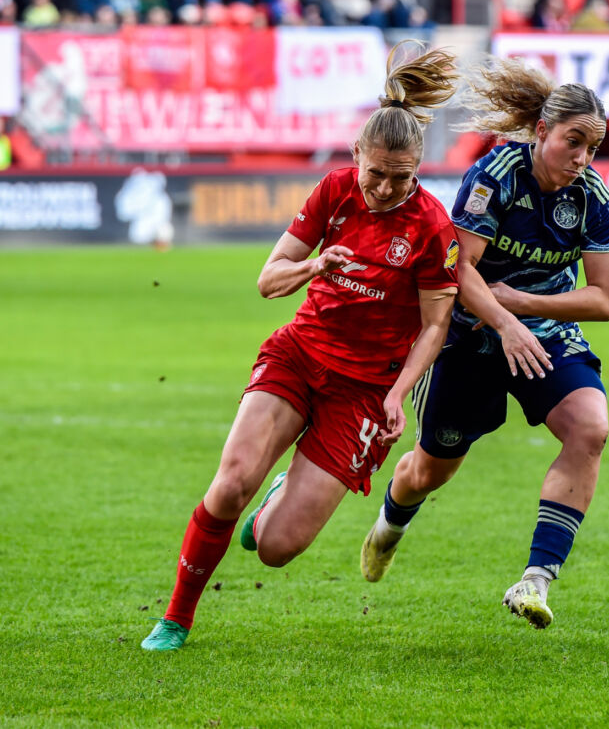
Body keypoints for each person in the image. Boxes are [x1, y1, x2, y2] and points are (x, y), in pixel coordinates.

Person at [141, 42, 461, 652]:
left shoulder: (431, 227)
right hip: (301, 354)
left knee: (276, 549)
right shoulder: (333, 192)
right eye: (377, 172)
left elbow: (434, 327)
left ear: (417, 168)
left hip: (367, 389)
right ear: (356, 156)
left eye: (403, 176)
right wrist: (316, 266)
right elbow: (267, 280)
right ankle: (175, 619)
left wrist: (397, 397)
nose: (388, 187)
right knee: (231, 481)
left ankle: (277, 501)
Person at [359, 57, 609, 629]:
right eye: (573, 142)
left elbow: (602, 300)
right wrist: (503, 321)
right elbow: (461, 272)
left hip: (542, 336)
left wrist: (523, 307)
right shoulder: (494, 175)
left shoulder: (596, 200)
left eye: (593, 148)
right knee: (430, 470)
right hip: (472, 339)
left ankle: (536, 579)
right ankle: (390, 523)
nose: (582, 158)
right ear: (542, 132)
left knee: (590, 428)